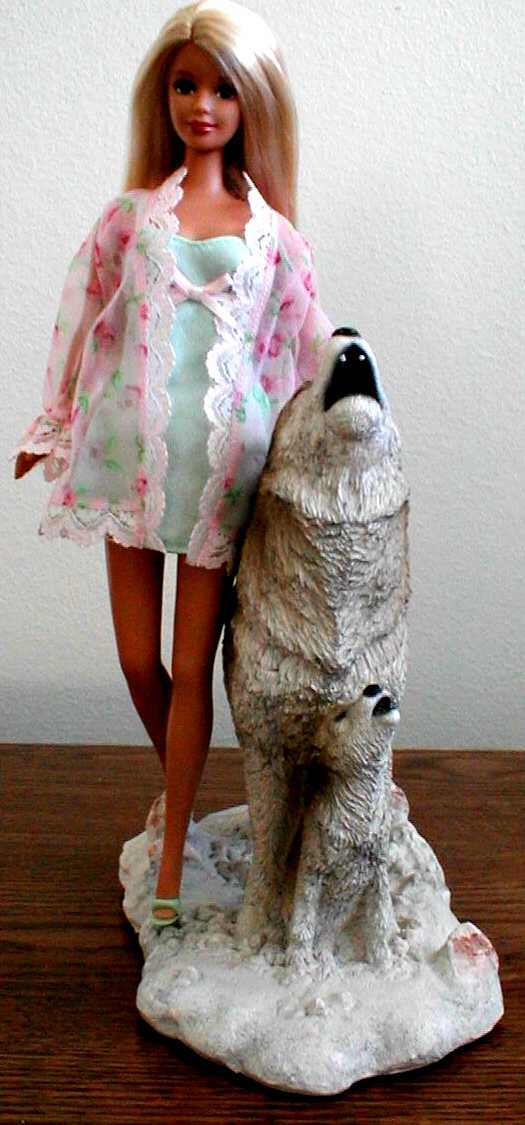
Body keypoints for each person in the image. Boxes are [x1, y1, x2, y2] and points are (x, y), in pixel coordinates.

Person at [12, 0, 333, 930]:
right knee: (134, 658)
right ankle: (181, 792)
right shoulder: (129, 217)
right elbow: (81, 311)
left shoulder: (272, 235)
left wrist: (353, 410)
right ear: (163, 95)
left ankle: (173, 850)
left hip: (218, 476)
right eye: (187, 85)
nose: (202, 105)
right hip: (128, 460)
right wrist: (52, 420)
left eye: (223, 90)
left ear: (251, 103)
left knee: (192, 668)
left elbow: (308, 342)